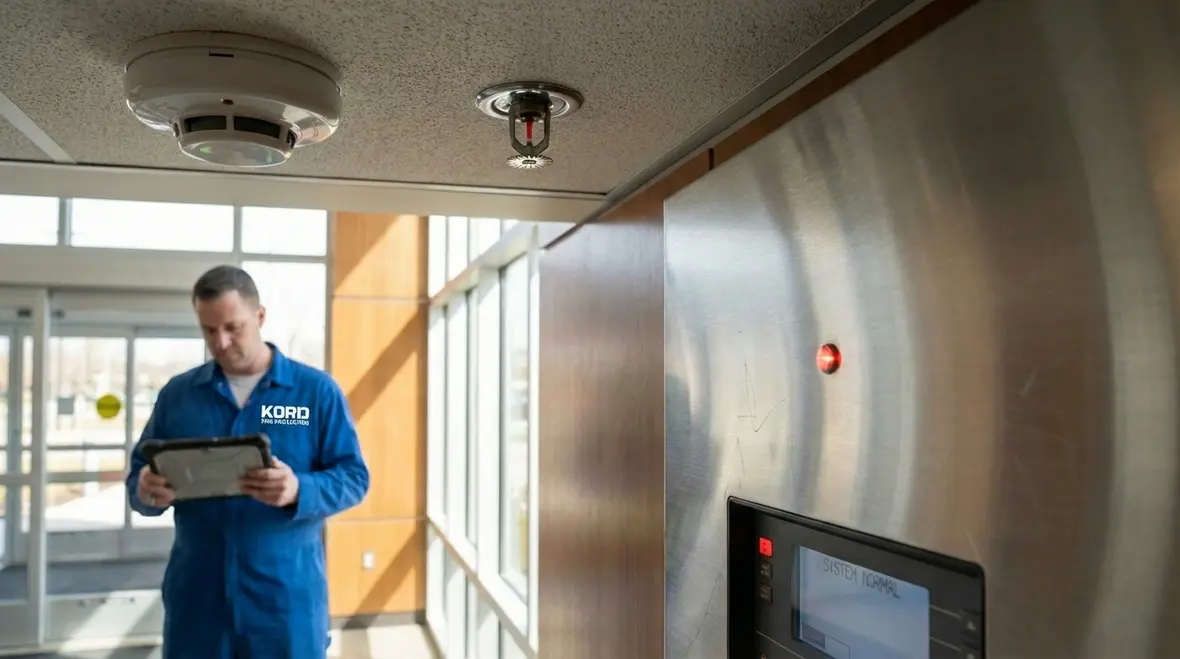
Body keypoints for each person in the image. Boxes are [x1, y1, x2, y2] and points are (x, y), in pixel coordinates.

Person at [125, 265, 370, 659]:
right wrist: (143, 490)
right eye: (208, 330)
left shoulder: (314, 393)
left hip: (285, 600)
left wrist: (299, 489)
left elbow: (354, 477)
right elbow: (138, 476)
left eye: (232, 327)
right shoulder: (179, 396)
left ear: (260, 317)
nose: (220, 342)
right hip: (199, 600)